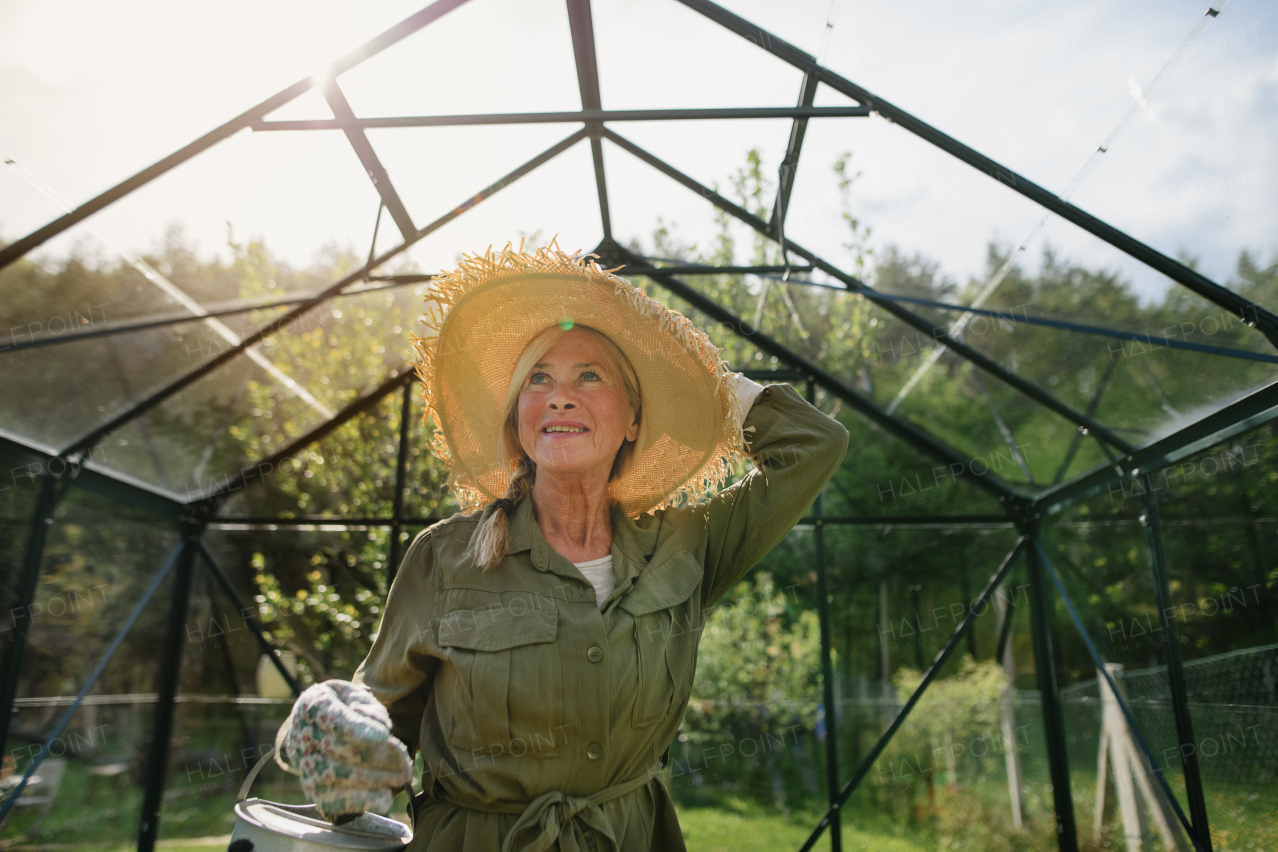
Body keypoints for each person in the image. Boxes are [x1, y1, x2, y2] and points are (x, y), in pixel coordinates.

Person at [277, 240, 849, 851]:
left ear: (634, 419)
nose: (559, 394)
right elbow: (380, 722)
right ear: (518, 418)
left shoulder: (686, 543)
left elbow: (812, 445)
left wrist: (699, 381)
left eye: (590, 376)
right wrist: (331, 729)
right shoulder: (445, 558)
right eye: (538, 379)